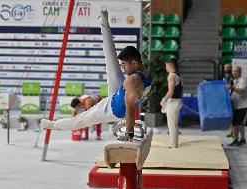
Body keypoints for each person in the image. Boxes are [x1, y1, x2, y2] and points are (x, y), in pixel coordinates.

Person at [40, 10, 151, 141]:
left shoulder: (132, 81)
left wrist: (129, 132)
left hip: (111, 109)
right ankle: (104, 25)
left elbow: (131, 109)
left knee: (80, 120)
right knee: (111, 61)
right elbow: (136, 99)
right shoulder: (147, 72)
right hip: (119, 92)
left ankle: (53, 125)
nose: (123, 68)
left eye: (124, 65)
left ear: (134, 62)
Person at [227, 66, 247, 146]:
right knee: (235, 123)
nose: (234, 73)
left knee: (239, 123)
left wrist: (232, 88)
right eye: (233, 71)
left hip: (245, 106)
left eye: (236, 71)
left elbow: (242, 91)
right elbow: (231, 93)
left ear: (240, 72)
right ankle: (235, 140)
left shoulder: (243, 80)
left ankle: (242, 139)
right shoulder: (234, 81)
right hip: (237, 106)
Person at [160, 59, 183, 148]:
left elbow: (171, 92)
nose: (165, 68)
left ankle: (173, 144)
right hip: (176, 101)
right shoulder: (177, 74)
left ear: (170, 66)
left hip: (173, 101)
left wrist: (164, 100)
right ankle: (174, 142)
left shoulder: (171, 76)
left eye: (166, 66)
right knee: (174, 123)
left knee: (172, 124)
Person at [223, 64, 234, 138]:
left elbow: (231, 87)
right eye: (225, 68)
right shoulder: (225, 76)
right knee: (230, 116)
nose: (227, 69)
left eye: (228, 68)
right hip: (227, 97)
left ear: (231, 68)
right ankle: (231, 131)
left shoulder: (232, 77)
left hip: (232, 97)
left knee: (232, 116)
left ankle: (233, 132)